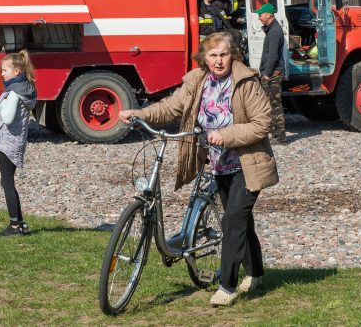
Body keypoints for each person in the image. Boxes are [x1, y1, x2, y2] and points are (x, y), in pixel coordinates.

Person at [119, 32, 278, 307]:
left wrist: (227, 135)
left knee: (232, 221)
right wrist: (140, 114)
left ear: (233, 56)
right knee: (240, 221)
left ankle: (227, 286)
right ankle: (256, 273)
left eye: (224, 54)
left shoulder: (245, 82)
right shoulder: (198, 81)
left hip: (247, 164)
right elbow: (171, 107)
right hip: (218, 164)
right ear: (204, 58)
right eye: (213, 55)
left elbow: (263, 122)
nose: (218, 61)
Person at [0, 51, 38, 237]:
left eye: (4, 70)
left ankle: (14, 226)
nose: (2, 73)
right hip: (14, 141)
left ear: (16, 70)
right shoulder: (23, 88)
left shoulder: (14, 92)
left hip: (7, 141)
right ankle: (20, 223)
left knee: (7, 181)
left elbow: (8, 118)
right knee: (8, 181)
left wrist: (1, 106)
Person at [254, 3, 287, 144]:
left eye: (260, 15)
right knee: (270, 104)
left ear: (269, 15)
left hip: (273, 74)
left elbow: (273, 55)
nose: (259, 17)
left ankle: (280, 137)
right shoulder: (272, 29)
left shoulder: (274, 32)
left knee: (275, 105)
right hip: (272, 72)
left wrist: (267, 74)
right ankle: (274, 134)